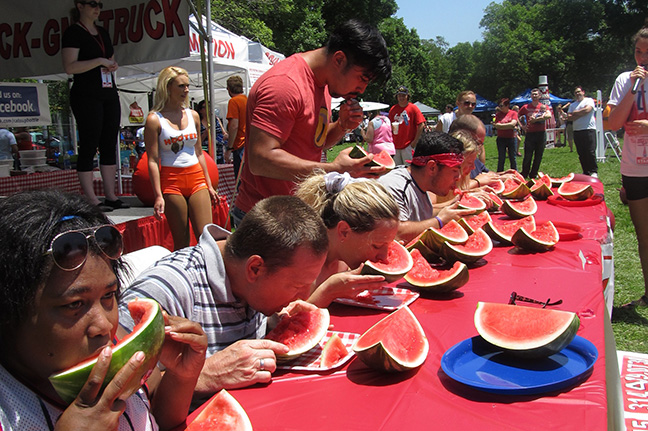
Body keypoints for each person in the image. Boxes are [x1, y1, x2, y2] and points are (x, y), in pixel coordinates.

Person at [0, 190, 207, 431]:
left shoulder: (116, 341)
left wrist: (181, 376)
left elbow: (155, 419)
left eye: (108, 296)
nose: (104, 326)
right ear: (8, 312)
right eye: (74, 304)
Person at [119, 195, 329, 398]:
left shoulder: (250, 282)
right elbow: (118, 398)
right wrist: (203, 375)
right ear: (255, 268)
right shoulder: (166, 290)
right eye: (297, 286)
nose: (303, 296)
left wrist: (276, 323)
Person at [231, 19, 392, 228]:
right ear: (339, 59)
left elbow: (316, 143)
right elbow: (260, 159)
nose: (362, 89)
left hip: (296, 210)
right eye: (362, 78)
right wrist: (333, 169)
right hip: (265, 217)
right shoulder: (285, 85)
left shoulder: (323, 85)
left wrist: (342, 125)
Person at [295, 171, 400, 307]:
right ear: (344, 231)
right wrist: (328, 292)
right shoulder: (298, 263)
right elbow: (278, 323)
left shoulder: (346, 262)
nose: (384, 257)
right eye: (377, 246)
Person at [62, 0, 128, 212]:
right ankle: (90, 198)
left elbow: (109, 58)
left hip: (108, 91)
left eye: (99, 4)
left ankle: (110, 195)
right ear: (79, 6)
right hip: (86, 94)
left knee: (109, 141)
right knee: (89, 143)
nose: (97, 8)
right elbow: (70, 66)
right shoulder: (73, 32)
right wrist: (99, 60)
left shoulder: (102, 32)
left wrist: (110, 63)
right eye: (92, 4)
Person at [144, 66, 218, 251]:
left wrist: (209, 184)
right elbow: (152, 160)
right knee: (181, 241)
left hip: (196, 177)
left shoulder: (192, 115)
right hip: (171, 181)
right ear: (167, 88)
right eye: (181, 86)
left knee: (207, 237)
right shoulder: (154, 119)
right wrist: (158, 195)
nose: (186, 90)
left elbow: (199, 152)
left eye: (187, 86)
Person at [607, 23, 648, 308]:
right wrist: (633, 91)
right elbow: (612, 123)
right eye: (638, 51)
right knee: (644, 236)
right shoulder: (625, 80)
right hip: (635, 167)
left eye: (647, 53)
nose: (642, 58)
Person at [378, 131, 475, 243]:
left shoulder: (421, 186)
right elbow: (396, 233)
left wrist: (454, 205)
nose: (458, 177)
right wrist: (440, 221)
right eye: (454, 170)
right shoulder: (394, 185)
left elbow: (421, 217)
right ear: (432, 168)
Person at [518, 88, 551, 179]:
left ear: (540, 96)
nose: (534, 96)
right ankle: (524, 173)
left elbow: (548, 115)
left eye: (536, 94)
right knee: (528, 155)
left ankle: (533, 173)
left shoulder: (543, 107)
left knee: (538, 155)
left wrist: (537, 119)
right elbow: (516, 116)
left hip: (541, 133)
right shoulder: (525, 107)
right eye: (533, 94)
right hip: (530, 134)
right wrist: (522, 126)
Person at [564, 86, 598, 177]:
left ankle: (593, 171)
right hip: (577, 130)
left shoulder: (589, 100)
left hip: (588, 129)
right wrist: (580, 113)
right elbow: (569, 117)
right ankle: (585, 171)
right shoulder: (572, 105)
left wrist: (575, 113)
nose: (577, 94)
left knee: (590, 151)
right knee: (581, 152)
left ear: (583, 92)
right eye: (576, 92)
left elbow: (587, 110)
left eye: (579, 92)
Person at [388, 86, 426, 165]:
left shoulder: (413, 108)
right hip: (395, 145)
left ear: (407, 96)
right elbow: (389, 125)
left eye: (403, 95)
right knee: (396, 169)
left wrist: (415, 142)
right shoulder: (393, 109)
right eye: (399, 96)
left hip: (408, 145)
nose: (401, 98)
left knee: (409, 168)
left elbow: (421, 124)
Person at [225, 76, 247, 178]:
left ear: (229, 88)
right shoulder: (247, 100)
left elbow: (234, 126)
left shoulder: (233, 101)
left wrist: (229, 148)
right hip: (248, 145)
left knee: (240, 181)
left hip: (239, 145)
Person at [493, 98, 518, 172]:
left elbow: (513, 124)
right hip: (501, 139)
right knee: (501, 157)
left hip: (511, 138)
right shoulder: (498, 115)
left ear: (507, 105)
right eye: (499, 106)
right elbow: (497, 125)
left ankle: (515, 172)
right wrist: (508, 125)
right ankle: (499, 173)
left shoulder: (513, 113)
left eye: (501, 106)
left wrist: (501, 126)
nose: (500, 107)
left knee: (512, 157)